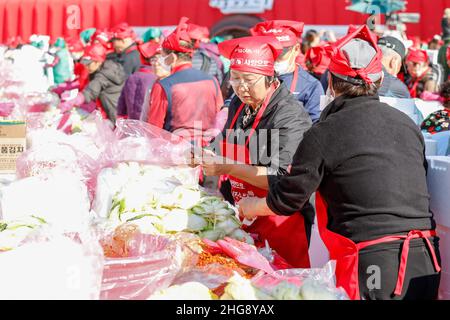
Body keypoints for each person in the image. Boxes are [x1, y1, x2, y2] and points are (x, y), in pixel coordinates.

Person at [237, 25, 441, 300]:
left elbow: (288, 199)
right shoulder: (407, 125)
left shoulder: (324, 132)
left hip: (373, 261)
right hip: (427, 257)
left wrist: (251, 206)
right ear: (378, 82)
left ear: (330, 83)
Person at [195, 35, 313, 268]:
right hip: (244, 216)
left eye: (248, 80)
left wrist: (228, 167)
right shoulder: (240, 104)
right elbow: (227, 139)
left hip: (281, 219)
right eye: (235, 79)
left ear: (270, 78)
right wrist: (203, 153)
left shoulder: (289, 115)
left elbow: (282, 179)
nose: (241, 88)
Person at [146, 17, 223, 145]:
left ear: (172, 57)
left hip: (174, 152)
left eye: (163, 57)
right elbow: (219, 117)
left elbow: (154, 130)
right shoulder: (212, 81)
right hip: (207, 149)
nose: (161, 61)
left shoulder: (163, 85)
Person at [251, 20, 324, 123]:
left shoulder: (311, 85)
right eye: (270, 52)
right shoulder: (254, 77)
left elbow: (316, 123)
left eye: (281, 53)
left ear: (296, 49)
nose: (275, 58)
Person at [58, 43, 126, 123]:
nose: (86, 67)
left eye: (88, 64)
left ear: (98, 62)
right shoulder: (104, 68)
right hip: (111, 113)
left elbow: (91, 91)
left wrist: (74, 101)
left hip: (115, 116)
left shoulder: (104, 74)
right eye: (85, 64)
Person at [117, 42, 160, 120]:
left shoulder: (131, 77)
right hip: (148, 126)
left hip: (132, 124)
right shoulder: (156, 79)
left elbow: (121, 108)